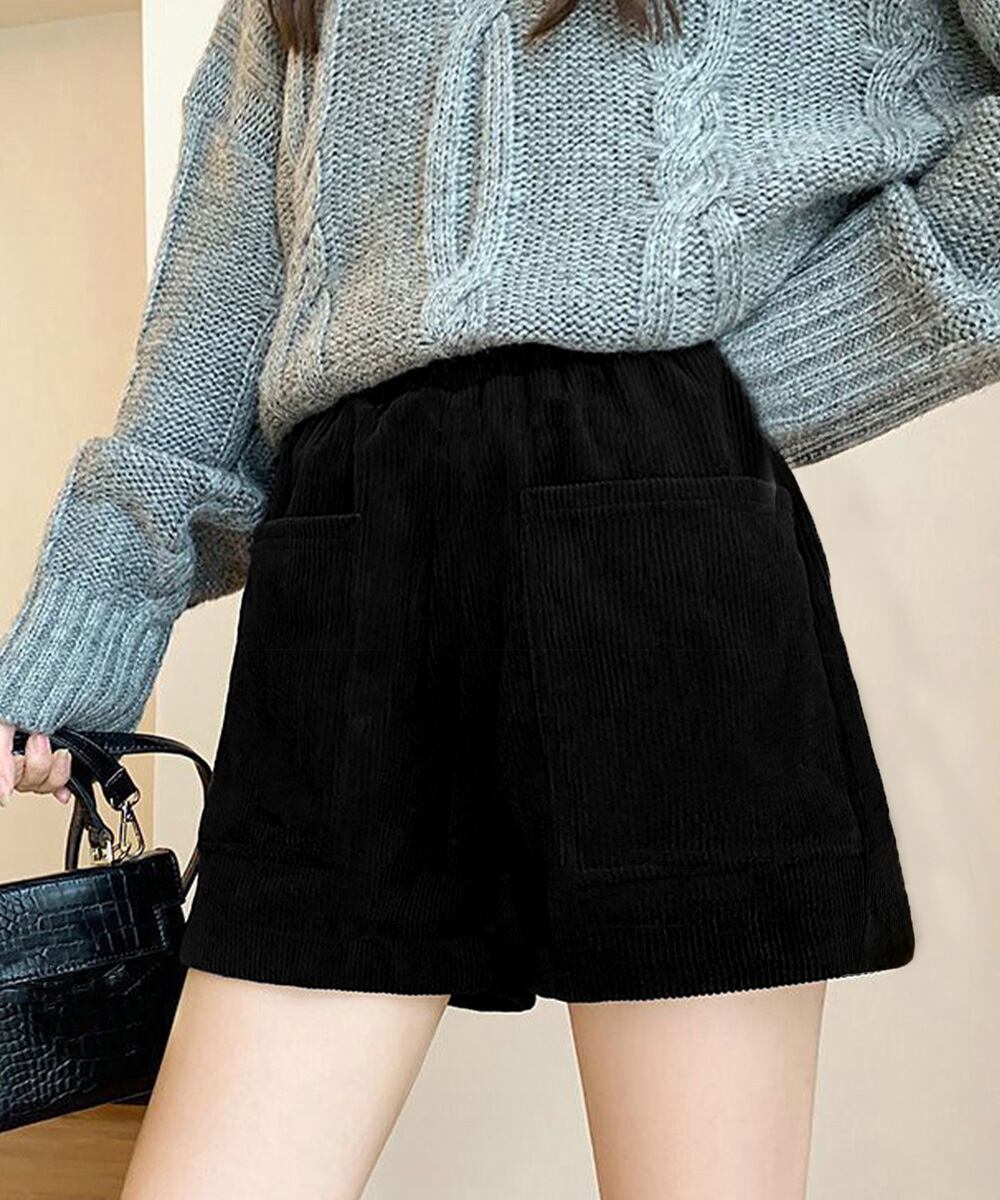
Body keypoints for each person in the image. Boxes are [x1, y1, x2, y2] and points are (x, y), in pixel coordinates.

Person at [0, 0, 997, 1195]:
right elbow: (204, 348)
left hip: (659, 562)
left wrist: (724, 397)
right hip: (349, 581)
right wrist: (68, 660)